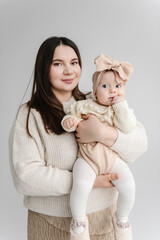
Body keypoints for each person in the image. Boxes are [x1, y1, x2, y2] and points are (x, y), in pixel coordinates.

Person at [9, 36, 147, 240]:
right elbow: (25, 177)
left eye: (74, 63)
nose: (69, 71)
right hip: (50, 224)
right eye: (58, 64)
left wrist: (102, 133)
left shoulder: (96, 101)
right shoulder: (31, 114)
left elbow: (140, 143)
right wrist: (91, 181)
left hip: (105, 221)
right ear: (43, 68)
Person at [61, 54, 137, 240]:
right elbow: (71, 117)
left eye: (118, 86)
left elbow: (128, 127)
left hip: (111, 159)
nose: (113, 91)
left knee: (129, 187)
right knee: (80, 186)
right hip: (87, 159)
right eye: (105, 86)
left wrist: (120, 106)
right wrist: (69, 121)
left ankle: (122, 219)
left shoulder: (121, 111)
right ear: (95, 92)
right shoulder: (85, 105)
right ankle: (79, 221)